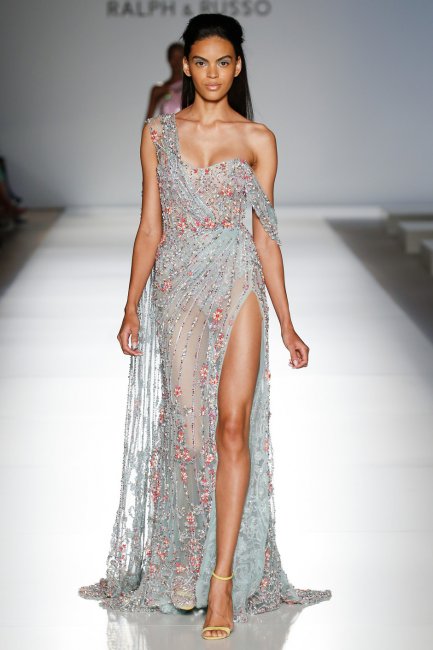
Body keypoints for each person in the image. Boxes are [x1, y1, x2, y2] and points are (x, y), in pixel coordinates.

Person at [79, 13, 331, 641]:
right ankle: (184, 566)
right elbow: (150, 226)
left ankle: (221, 583)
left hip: (238, 282)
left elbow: (265, 237)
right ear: (185, 66)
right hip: (177, 292)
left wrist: (288, 323)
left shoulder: (259, 139)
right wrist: (130, 305)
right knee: (189, 436)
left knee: (232, 427)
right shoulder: (157, 134)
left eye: (223, 62)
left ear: (237, 66)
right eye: (201, 62)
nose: (212, 73)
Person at [145, 42, 184, 118]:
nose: (177, 62)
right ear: (168, 59)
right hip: (164, 125)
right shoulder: (158, 89)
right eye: (174, 58)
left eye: (180, 58)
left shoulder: (192, 88)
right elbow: (147, 122)